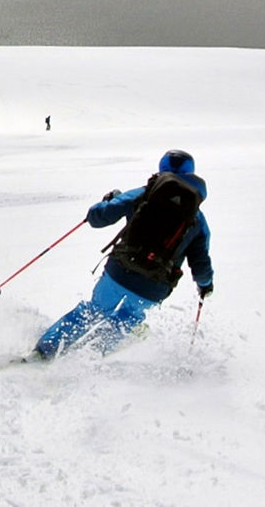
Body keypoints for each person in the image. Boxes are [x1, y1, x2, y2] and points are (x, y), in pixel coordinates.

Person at [33, 149, 214, 359]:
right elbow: (201, 264)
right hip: (154, 286)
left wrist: (109, 200)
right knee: (128, 317)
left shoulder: (142, 194)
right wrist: (205, 286)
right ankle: (88, 359)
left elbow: (98, 217)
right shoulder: (198, 220)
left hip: (120, 270)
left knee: (93, 311)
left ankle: (45, 351)